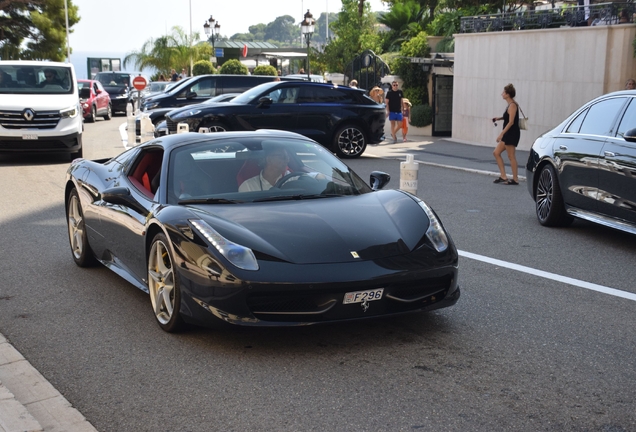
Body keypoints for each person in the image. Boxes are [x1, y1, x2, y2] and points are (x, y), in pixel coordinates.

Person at [492, 83, 521, 185]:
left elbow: (511, 121)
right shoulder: (510, 105)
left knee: (511, 156)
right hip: (508, 133)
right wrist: (499, 118)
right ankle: (503, 176)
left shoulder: (512, 105)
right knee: (496, 153)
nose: (502, 94)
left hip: (511, 133)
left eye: (503, 92)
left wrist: (501, 134)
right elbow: (508, 117)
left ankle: (515, 179)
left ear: (508, 94)